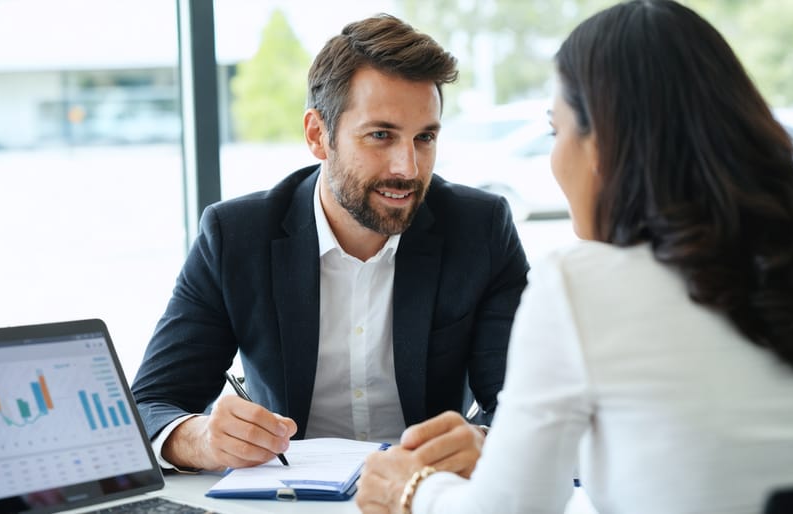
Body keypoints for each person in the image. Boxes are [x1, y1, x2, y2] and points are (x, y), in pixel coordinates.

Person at [356, 1, 793, 513]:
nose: (556, 158)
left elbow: (511, 509)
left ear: (602, 143)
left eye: (555, 131)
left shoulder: (581, 284)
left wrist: (411, 489)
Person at [130, 13, 530, 474]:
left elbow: (524, 406)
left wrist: (483, 441)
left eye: (425, 138)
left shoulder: (479, 228)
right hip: (285, 500)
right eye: (381, 135)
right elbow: (151, 405)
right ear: (318, 135)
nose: (408, 168)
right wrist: (199, 438)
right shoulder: (236, 236)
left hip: (425, 495)